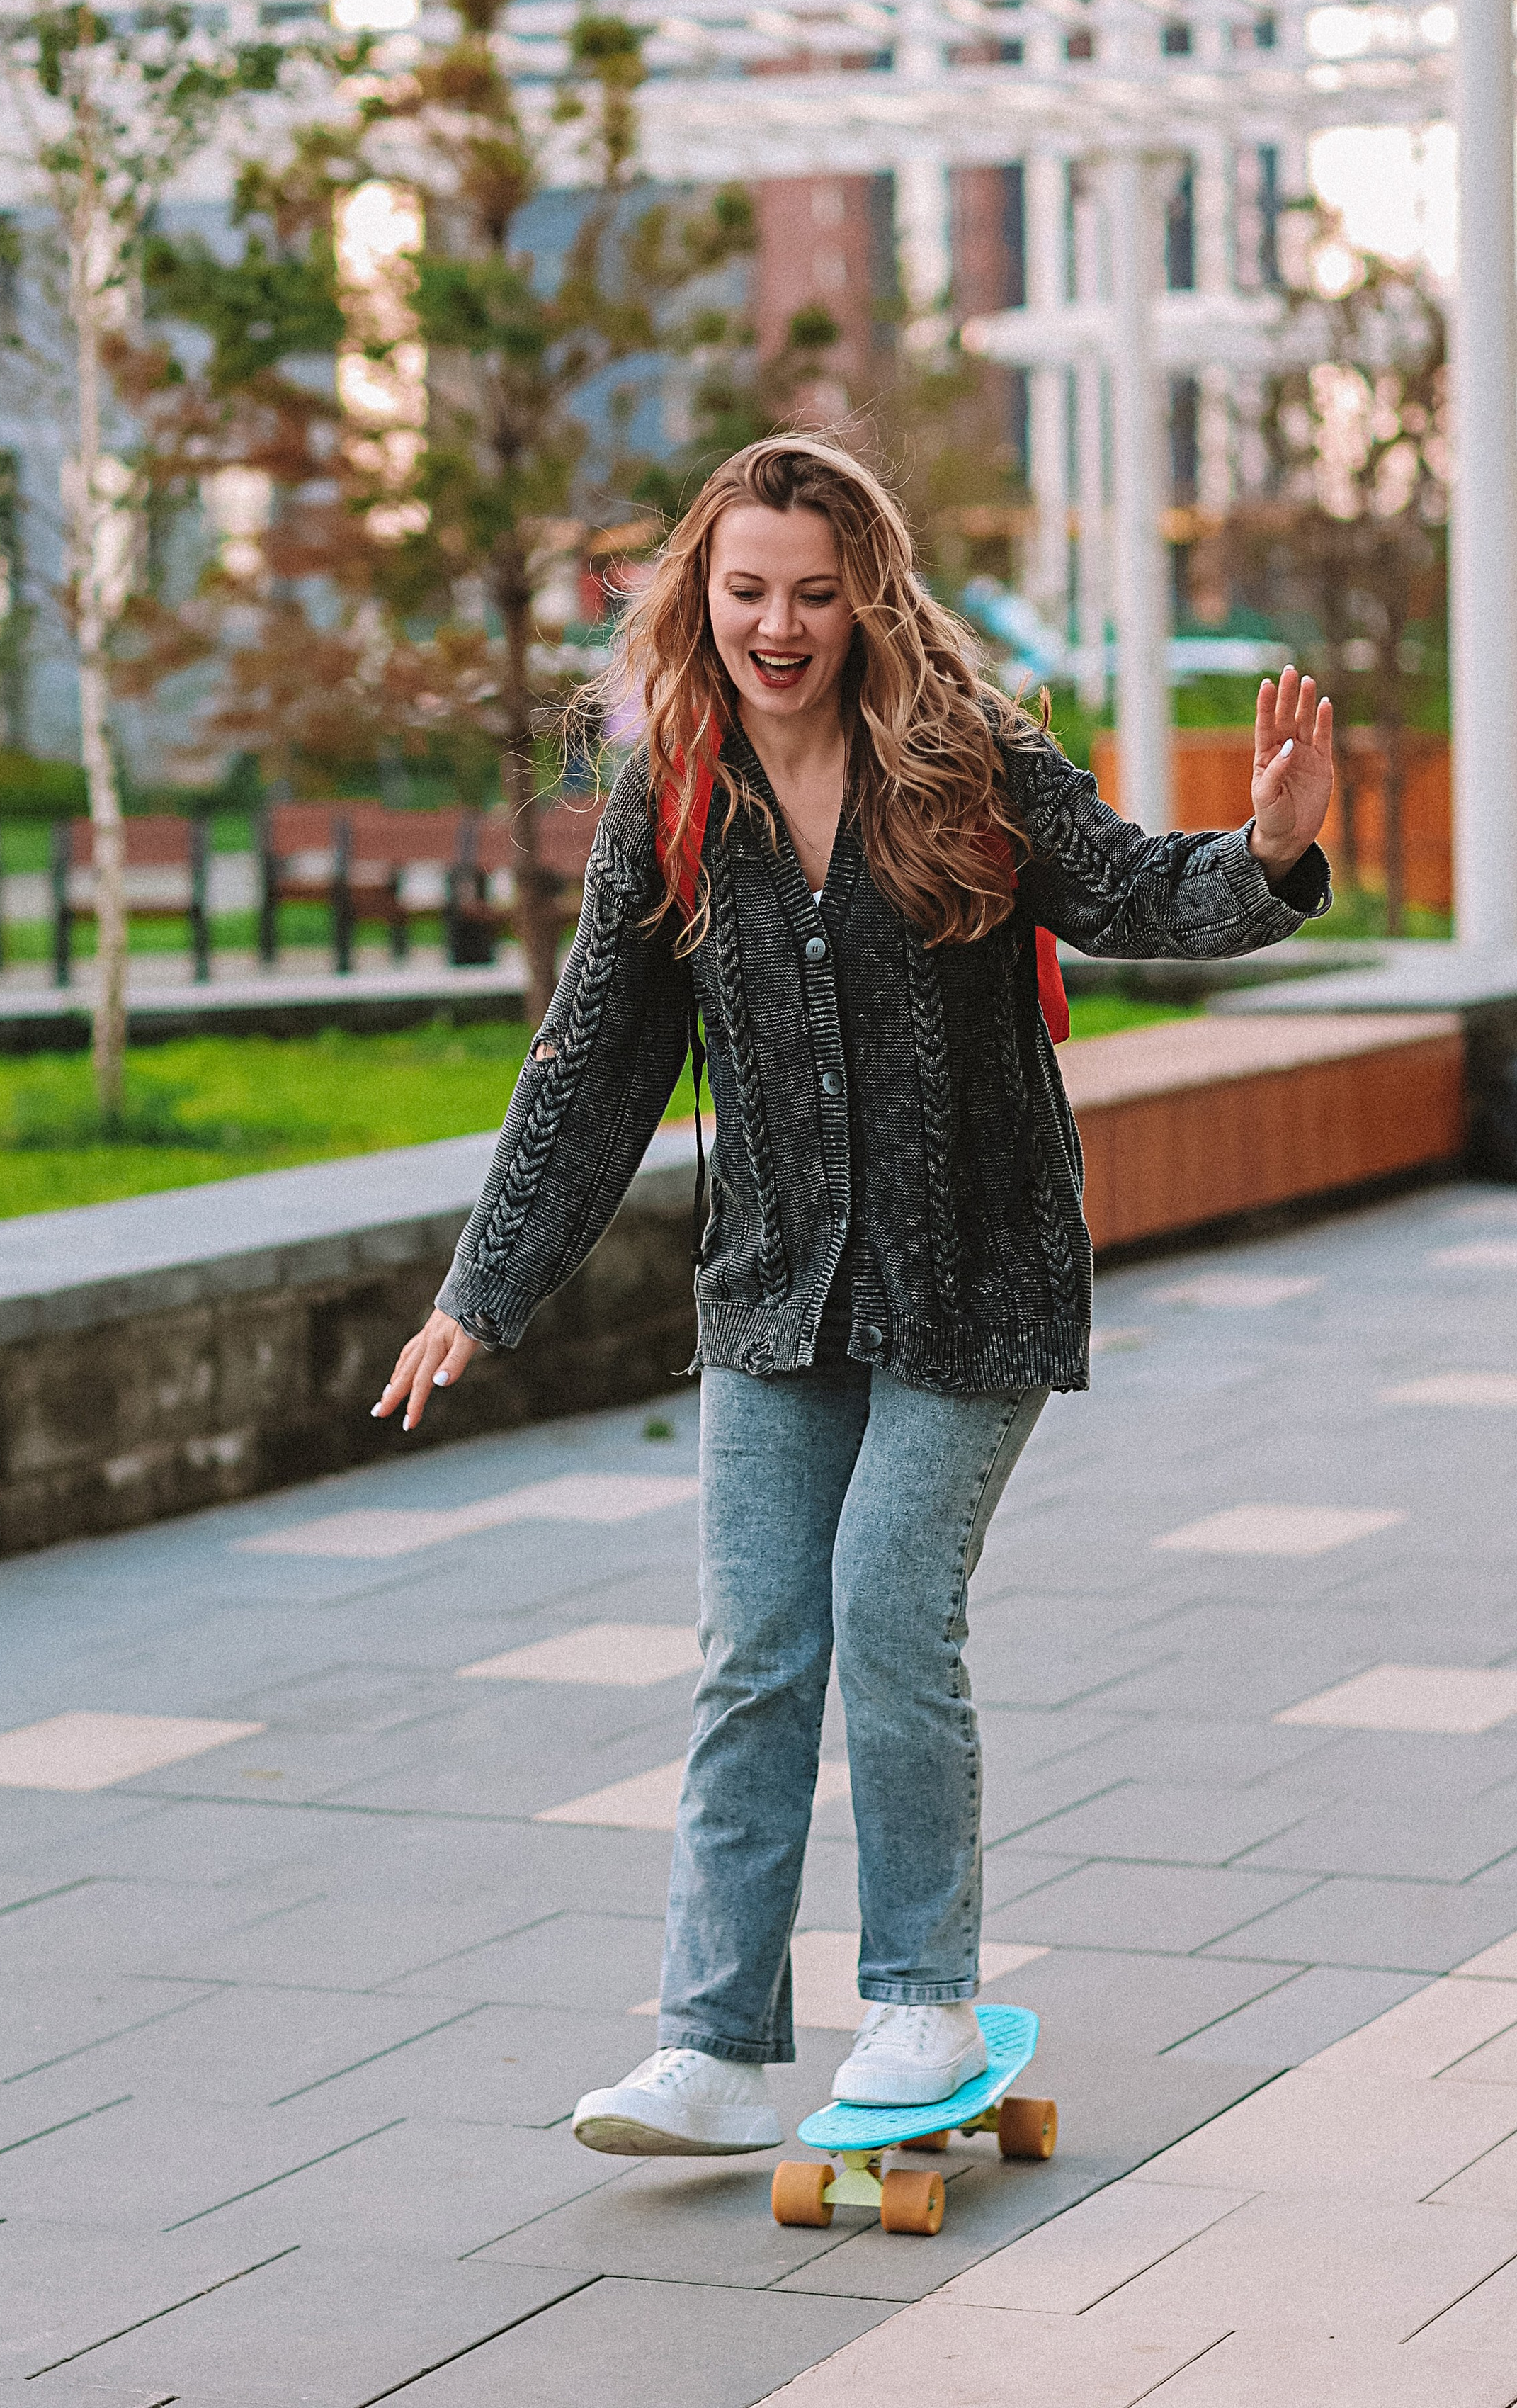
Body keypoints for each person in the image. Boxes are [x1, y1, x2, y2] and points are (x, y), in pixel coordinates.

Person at [374, 436, 1334, 2158]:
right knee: (753, 1646)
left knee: (888, 1606)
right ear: (699, 596)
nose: (777, 624)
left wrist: (1260, 851)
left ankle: (916, 1997)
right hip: (773, 1292)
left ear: (864, 597)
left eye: (812, 593)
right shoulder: (675, 795)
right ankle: (717, 2043)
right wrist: (481, 1285)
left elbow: (1122, 888)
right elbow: (592, 1058)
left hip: (975, 1274)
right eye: (744, 590)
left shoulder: (963, 761)